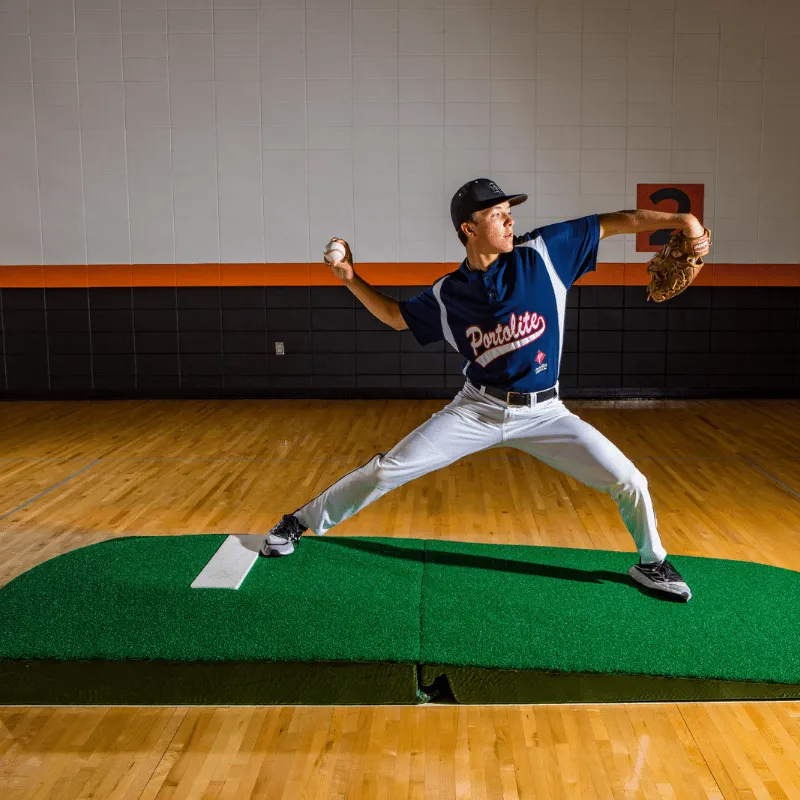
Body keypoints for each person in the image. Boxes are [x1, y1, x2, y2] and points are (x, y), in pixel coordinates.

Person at [259, 178, 711, 602]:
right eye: (497, 214)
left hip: (546, 413)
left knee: (631, 480)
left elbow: (617, 221)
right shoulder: (449, 293)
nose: (510, 220)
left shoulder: (545, 253)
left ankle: (653, 563)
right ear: (468, 228)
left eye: (509, 211)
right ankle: (297, 522)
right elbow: (397, 317)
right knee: (385, 471)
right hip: (477, 410)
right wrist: (350, 279)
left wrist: (682, 222)